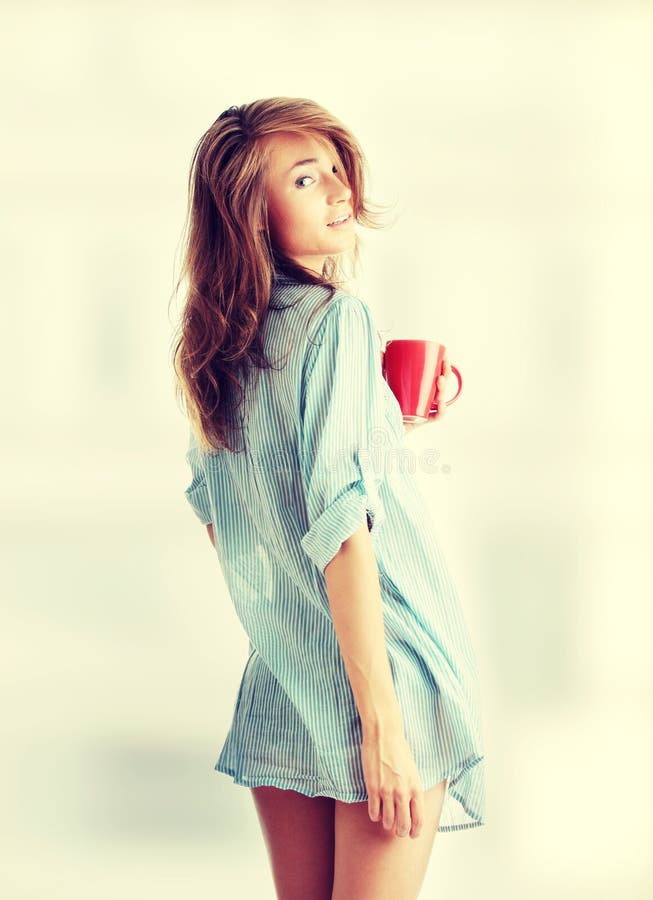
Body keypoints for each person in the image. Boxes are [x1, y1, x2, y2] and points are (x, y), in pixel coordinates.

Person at [172, 97, 485, 900]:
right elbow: (341, 523)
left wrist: (383, 428)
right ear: (250, 213)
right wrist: (380, 723)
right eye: (305, 178)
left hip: (287, 680)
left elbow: (241, 514)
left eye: (336, 169)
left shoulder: (218, 350)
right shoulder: (337, 320)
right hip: (382, 683)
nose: (338, 189)